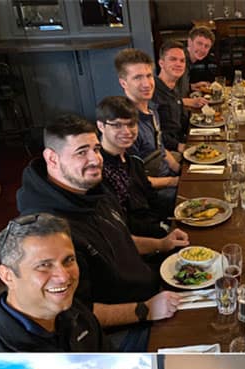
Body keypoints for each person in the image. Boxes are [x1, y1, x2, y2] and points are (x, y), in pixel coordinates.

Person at [16, 113, 187, 351]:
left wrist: (162, 244)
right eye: (81, 152)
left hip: (150, 289)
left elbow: (120, 239)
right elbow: (74, 312)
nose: (95, 159)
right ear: (52, 159)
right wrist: (146, 310)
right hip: (122, 327)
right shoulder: (46, 231)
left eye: (96, 149)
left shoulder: (92, 188)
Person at [0, 214, 108, 352]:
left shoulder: (71, 307)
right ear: (8, 276)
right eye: (44, 265)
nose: (64, 277)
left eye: (68, 260)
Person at [97, 96, 175, 237]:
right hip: (137, 242)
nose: (127, 132)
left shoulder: (134, 161)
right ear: (101, 126)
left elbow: (152, 200)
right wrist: (163, 233)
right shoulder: (98, 170)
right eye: (117, 125)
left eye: (131, 124)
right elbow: (120, 227)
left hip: (156, 227)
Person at [113, 49, 179, 188]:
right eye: (137, 78)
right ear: (123, 83)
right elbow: (135, 180)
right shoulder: (125, 126)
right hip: (153, 192)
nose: (147, 84)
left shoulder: (152, 109)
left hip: (166, 174)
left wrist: (179, 169)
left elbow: (161, 148)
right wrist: (174, 182)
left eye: (149, 76)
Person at [153, 41, 189, 154]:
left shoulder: (174, 88)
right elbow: (154, 134)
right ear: (161, 63)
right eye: (173, 59)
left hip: (183, 141)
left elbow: (182, 123)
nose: (179, 64)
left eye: (182, 61)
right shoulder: (152, 91)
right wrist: (178, 146)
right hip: (168, 152)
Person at [179, 27, 216, 105]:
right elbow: (167, 98)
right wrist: (191, 102)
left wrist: (192, 87)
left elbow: (178, 88)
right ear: (189, 42)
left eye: (207, 46)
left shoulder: (188, 61)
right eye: (199, 43)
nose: (202, 49)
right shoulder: (180, 62)